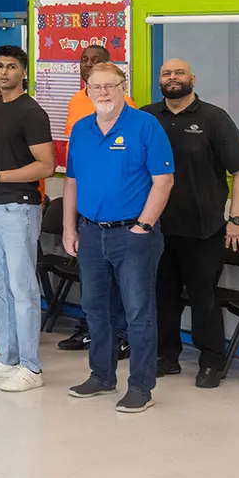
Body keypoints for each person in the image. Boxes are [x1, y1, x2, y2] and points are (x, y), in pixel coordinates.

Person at [63, 63, 174, 413]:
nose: (105, 93)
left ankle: (141, 386)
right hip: (91, 234)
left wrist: (144, 225)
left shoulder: (145, 125)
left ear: (123, 86)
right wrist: (69, 227)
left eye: (112, 85)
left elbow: (164, 181)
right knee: (96, 309)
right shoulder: (81, 130)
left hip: (134, 235)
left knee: (138, 312)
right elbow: (71, 182)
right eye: (97, 87)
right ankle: (101, 376)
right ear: (87, 91)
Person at [144, 58, 239, 388]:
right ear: (159, 80)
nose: (172, 78)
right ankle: (167, 356)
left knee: (204, 298)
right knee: (162, 296)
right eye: (166, 74)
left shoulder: (213, 118)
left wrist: (236, 219)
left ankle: (211, 361)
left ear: (192, 78)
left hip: (204, 229)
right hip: (158, 227)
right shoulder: (147, 117)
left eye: (179, 73)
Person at [0, 45, 56, 393]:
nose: (4, 72)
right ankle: (9, 356)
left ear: (23, 73)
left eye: (11, 67)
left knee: (22, 289)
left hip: (18, 207)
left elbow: (45, 165)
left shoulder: (32, 112)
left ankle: (32, 366)